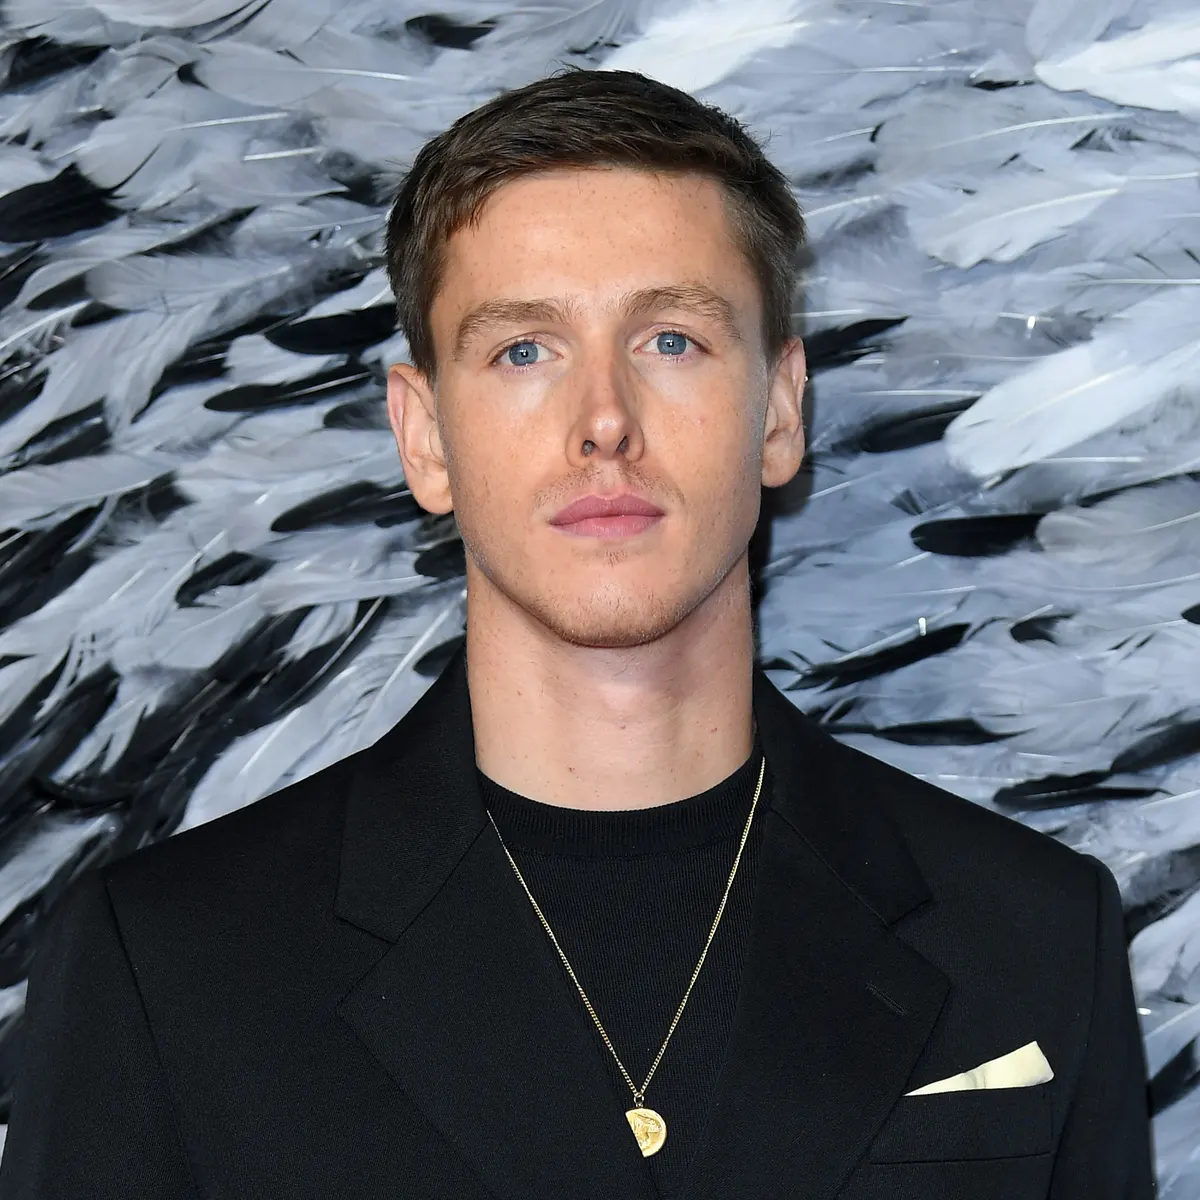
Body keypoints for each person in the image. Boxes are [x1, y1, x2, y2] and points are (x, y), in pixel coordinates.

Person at [1, 66, 1155, 1200]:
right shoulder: (165, 965)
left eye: (671, 340)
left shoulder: (1035, 936)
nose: (604, 421)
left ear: (779, 410)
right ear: (424, 438)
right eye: (524, 349)